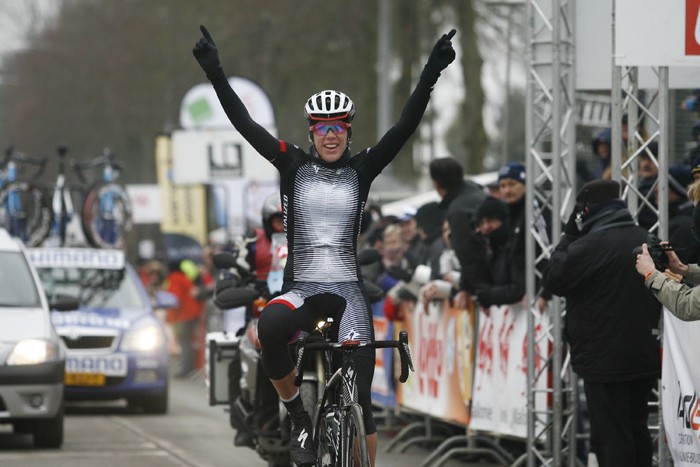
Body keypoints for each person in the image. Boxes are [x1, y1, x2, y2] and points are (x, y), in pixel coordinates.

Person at [193, 25, 456, 466]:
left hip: (349, 295)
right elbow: (244, 123)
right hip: (302, 291)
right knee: (269, 329)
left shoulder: (364, 168)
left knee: (363, 408)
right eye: (321, 128)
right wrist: (216, 73)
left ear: (347, 132)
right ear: (311, 133)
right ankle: (297, 415)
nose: (329, 135)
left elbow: (405, 125)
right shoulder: (290, 162)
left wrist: (430, 71)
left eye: (337, 127)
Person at [542, 179, 661, 467]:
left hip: (603, 358)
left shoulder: (587, 246)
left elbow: (553, 278)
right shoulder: (647, 238)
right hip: (643, 352)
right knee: (637, 430)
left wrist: (568, 235)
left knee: (612, 439)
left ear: (585, 209)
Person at [428, 157, 487, 308]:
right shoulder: (479, 195)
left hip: (486, 288)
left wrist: (473, 290)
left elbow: (468, 254)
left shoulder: (458, 210)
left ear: (436, 184)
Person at [473, 196, 524, 308]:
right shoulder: (486, 249)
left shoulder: (514, 246)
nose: (486, 226)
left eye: (490, 220)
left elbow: (517, 289)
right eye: (481, 222)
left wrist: (487, 295)